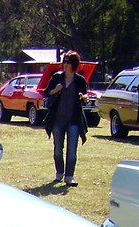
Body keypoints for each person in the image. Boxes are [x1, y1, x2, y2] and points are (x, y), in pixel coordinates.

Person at [43, 50, 89, 187]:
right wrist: (55, 90)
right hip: (58, 119)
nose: (64, 64)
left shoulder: (80, 80)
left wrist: (85, 98)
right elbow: (46, 93)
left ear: (74, 64)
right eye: (64, 61)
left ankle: (69, 176)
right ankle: (59, 173)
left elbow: (85, 97)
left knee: (72, 150)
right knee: (58, 148)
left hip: (74, 120)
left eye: (68, 62)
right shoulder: (57, 77)